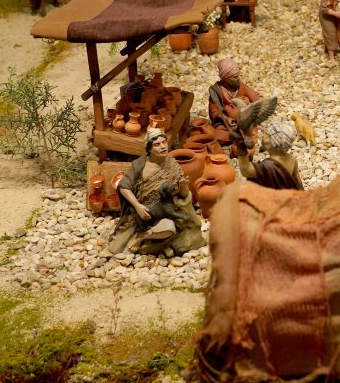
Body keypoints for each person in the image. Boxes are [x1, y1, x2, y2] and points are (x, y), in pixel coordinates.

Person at [109, 128, 205, 256]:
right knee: (115, 248)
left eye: (164, 142)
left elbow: (184, 196)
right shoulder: (140, 165)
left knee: (169, 228)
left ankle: (142, 238)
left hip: (163, 213)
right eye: (157, 144)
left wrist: (183, 186)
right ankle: (142, 236)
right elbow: (123, 187)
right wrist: (138, 206)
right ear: (149, 149)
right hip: (140, 214)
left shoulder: (172, 165)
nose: (162, 147)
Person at [235, 118, 306, 190]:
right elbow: (298, 181)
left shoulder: (268, 166)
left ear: (275, 142)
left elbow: (246, 170)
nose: (263, 138)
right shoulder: (292, 159)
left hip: (273, 198)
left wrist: (241, 147)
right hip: (287, 195)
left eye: (266, 136)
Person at [207, 58, 261, 134]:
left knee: (251, 131)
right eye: (234, 77)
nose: (238, 79)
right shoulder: (216, 91)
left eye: (237, 76)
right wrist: (226, 118)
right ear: (226, 78)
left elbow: (255, 98)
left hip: (244, 121)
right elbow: (214, 111)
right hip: (227, 123)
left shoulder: (241, 86)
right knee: (220, 135)